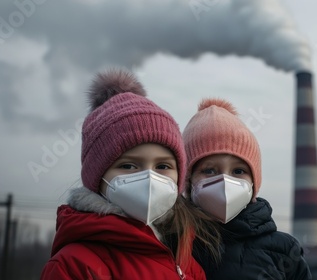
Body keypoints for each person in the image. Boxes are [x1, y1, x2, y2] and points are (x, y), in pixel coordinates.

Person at [41, 68, 220, 280]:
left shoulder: (187, 265)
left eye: (163, 166)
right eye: (128, 166)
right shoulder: (74, 265)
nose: (150, 179)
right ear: (96, 178)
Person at [183, 98, 312, 280]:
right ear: (187, 182)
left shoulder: (283, 250)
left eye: (238, 171)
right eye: (209, 170)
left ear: (254, 183)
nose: (225, 181)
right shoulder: (169, 243)